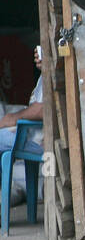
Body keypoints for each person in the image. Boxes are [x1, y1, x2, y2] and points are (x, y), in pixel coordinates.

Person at [1, 49, 45, 205]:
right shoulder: (47, 74)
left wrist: (12, 118)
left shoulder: (55, 74)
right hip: (32, 135)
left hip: (37, 141)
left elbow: (41, 110)